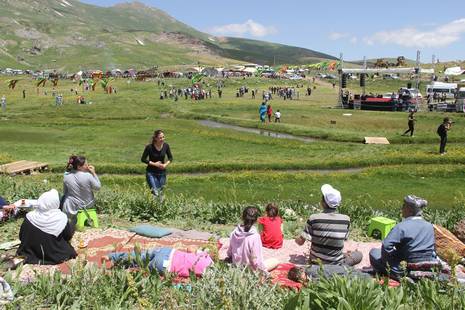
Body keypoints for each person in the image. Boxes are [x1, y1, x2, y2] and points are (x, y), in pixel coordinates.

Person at [369, 195, 437, 279]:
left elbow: (386, 246)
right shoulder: (429, 226)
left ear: (410, 210)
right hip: (427, 264)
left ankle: (398, 275)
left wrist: (389, 261)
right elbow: (433, 247)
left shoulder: (401, 227)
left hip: (405, 267)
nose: (402, 209)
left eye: (404, 206)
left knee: (374, 252)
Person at [295, 184, 362, 266]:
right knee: (359, 255)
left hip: (316, 263)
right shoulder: (346, 220)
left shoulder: (314, 218)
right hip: (336, 264)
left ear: (323, 203)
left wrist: (297, 238)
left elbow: (300, 242)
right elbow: (341, 239)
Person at [16, 189, 77, 265]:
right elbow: (67, 236)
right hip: (54, 254)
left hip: (30, 252)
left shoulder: (30, 216)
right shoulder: (61, 217)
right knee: (68, 251)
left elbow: (21, 236)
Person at [102, 247, 213, 277]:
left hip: (167, 251)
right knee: (141, 266)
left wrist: (200, 251)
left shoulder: (205, 256)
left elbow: (190, 248)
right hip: (165, 266)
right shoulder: (207, 272)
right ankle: (118, 272)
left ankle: (112, 257)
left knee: (140, 256)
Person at [226, 207, 277, 273]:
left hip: (236, 266)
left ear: (242, 217)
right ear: (256, 220)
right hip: (250, 270)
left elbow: (229, 253)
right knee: (275, 260)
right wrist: (263, 271)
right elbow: (256, 260)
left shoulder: (234, 232)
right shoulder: (255, 236)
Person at [62, 155, 101, 221]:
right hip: (87, 204)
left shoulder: (66, 176)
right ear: (79, 167)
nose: (88, 166)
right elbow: (98, 187)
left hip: (71, 206)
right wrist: (94, 173)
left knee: (63, 197)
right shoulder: (88, 175)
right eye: (85, 164)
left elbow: (65, 192)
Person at [141, 130, 173, 200]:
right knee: (155, 193)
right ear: (155, 138)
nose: (162, 139)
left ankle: (160, 209)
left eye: (163, 137)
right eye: (160, 138)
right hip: (151, 173)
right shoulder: (149, 147)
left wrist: (165, 165)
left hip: (162, 173)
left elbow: (170, 158)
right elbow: (143, 159)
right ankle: (154, 209)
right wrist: (155, 164)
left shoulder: (166, 146)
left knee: (160, 193)